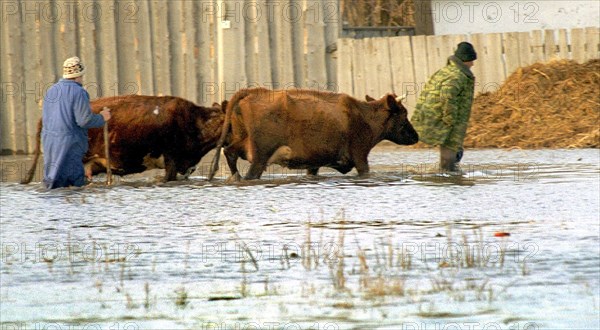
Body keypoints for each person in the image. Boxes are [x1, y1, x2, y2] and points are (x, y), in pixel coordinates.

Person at [42, 56, 111, 189]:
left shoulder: (50, 91)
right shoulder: (79, 92)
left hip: (49, 142)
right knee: (75, 185)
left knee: (52, 181)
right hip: (70, 144)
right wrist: (102, 117)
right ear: (79, 75)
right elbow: (84, 120)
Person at [411, 41, 477, 173]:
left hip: (433, 114)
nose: (473, 64)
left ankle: (445, 171)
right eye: (471, 60)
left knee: (450, 146)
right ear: (466, 60)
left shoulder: (445, 71)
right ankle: (448, 174)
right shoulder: (458, 75)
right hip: (447, 117)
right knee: (450, 146)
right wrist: (450, 118)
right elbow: (447, 95)